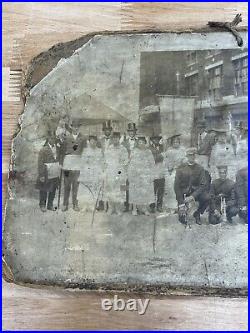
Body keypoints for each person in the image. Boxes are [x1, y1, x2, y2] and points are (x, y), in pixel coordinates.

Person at [174, 147, 210, 225]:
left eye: (193, 155)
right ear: (186, 156)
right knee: (182, 220)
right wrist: (181, 203)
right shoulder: (180, 168)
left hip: (195, 193)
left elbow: (203, 184)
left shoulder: (200, 168)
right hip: (184, 194)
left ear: (195, 156)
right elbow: (176, 186)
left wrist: (193, 196)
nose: (191, 157)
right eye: (189, 155)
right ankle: (183, 211)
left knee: (207, 198)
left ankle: (197, 213)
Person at [61, 119, 86, 211]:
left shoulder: (83, 138)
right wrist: (61, 162)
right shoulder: (66, 138)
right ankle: (65, 204)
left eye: (77, 127)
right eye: (74, 126)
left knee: (75, 184)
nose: (76, 128)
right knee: (67, 184)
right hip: (67, 163)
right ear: (71, 127)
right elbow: (62, 151)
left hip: (77, 163)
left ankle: (75, 204)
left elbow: (84, 150)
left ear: (79, 127)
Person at [128, 136, 155, 216]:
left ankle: (144, 208)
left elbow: (152, 163)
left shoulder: (148, 152)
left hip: (145, 174)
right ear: (137, 143)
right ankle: (134, 208)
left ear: (145, 143)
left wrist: (150, 174)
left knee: (145, 191)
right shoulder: (134, 151)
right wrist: (132, 174)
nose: (141, 144)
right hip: (136, 174)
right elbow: (131, 163)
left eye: (142, 142)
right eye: (139, 142)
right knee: (135, 191)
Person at [103, 132, 129, 215]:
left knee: (120, 189)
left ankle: (118, 208)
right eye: (113, 138)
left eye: (117, 138)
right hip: (111, 171)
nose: (115, 139)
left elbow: (126, 160)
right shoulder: (109, 148)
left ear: (119, 138)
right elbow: (106, 160)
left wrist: (122, 164)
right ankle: (111, 207)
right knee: (110, 188)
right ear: (112, 139)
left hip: (120, 171)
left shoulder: (123, 149)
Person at [36, 131, 61, 212]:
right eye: (51, 138)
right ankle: (42, 205)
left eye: (54, 138)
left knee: (53, 189)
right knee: (44, 189)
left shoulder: (57, 148)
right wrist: (41, 175)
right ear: (48, 139)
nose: (53, 140)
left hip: (54, 171)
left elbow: (58, 158)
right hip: (46, 171)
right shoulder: (43, 149)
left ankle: (50, 205)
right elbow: (40, 163)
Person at [79, 135, 104, 212]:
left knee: (94, 189)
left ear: (96, 142)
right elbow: (82, 162)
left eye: (94, 141)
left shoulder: (99, 150)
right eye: (91, 141)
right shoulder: (85, 150)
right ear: (89, 142)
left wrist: (101, 171)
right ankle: (84, 206)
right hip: (87, 171)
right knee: (86, 189)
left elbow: (101, 162)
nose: (93, 143)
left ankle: (92, 205)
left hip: (96, 171)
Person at [164, 134, 186, 212]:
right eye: (174, 142)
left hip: (181, 171)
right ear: (172, 143)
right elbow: (167, 163)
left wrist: (182, 163)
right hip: (172, 171)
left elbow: (185, 160)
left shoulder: (182, 150)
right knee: (171, 188)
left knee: (180, 188)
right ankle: (172, 207)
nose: (176, 143)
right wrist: (172, 167)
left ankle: (180, 205)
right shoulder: (169, 151)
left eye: (177, 142)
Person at [121, 122, 138, 211]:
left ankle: (135, 205)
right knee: (125, 184)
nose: (132, 133)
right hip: (126, 166)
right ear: (128, 132)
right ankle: (126, 204)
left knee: (135, 184)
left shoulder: (139, 142)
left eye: (133, 131)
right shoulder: (124, 143)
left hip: (135, 166)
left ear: (135, 132)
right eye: (130, 131)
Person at [149, 135, 165, 212]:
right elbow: (151, 159)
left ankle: (159, 205)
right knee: (152, 189)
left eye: (157, 139)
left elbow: (165, 157)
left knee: (161, 189)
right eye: (154, 139)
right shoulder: (149, 148)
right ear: (152, 140)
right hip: (153, 170)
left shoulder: (162, 147)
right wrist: (159, 156)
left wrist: (160, 156)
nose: (156, 141)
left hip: (161, 170)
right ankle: (152, 206)